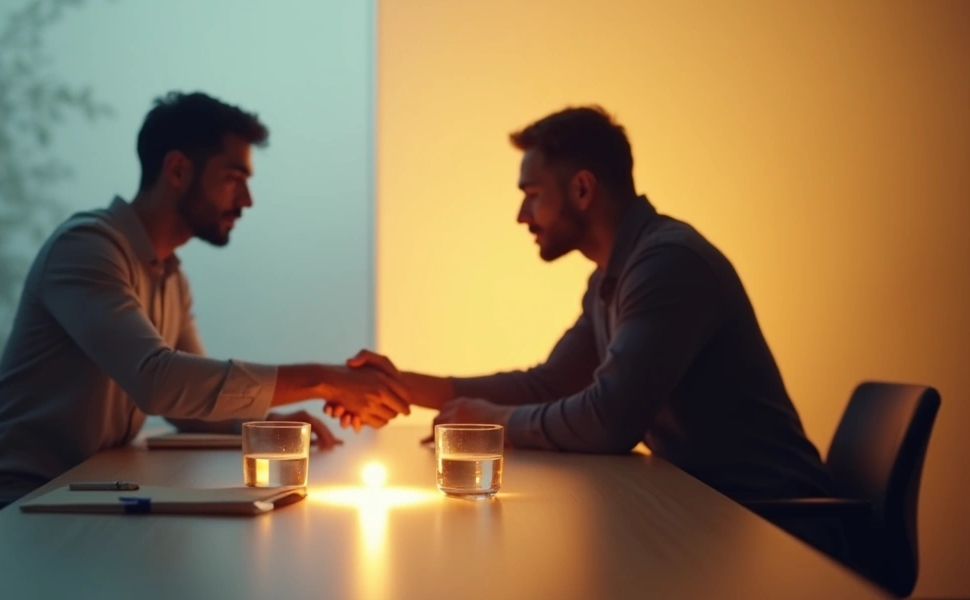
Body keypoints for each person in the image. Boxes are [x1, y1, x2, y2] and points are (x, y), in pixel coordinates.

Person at [337, 105, 845, 559]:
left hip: (778, 530)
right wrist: (402, 386)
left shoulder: (667, 264)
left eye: (532, 195)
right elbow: (548, 384)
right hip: (713, 519)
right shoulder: (613, 277)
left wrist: (495, 423)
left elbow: (609, 420)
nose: (521, 215)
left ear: (582, 189)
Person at [0, 91, 408, 550]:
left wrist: (264, 425)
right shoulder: (87, 248)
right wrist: (323, 380)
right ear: (177, 170)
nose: (247, 200)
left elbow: (187, 406)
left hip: (64, 503)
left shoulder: (170, 275)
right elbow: (159, 382)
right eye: (233, 178)